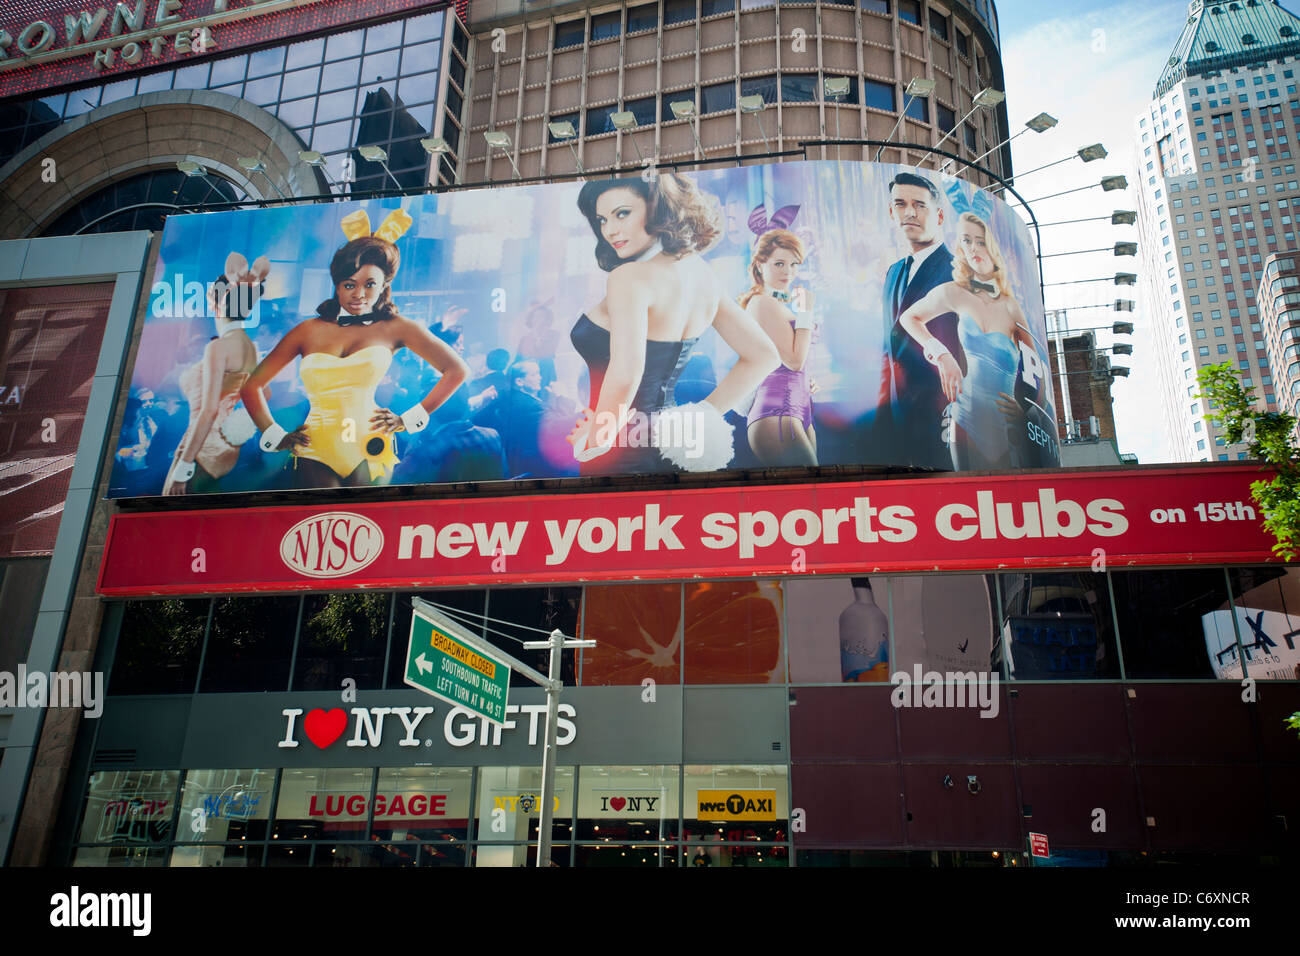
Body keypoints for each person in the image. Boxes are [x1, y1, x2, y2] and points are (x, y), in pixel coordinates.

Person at [241, 209, 469, 488]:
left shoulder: (396, 327)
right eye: (349, 284)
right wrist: (276, 436)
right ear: (337, 286)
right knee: (319, 528)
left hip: (371, 445)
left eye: (369, 284)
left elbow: (456, 370)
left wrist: (407, 420)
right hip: (314, 448)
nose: (359, 294)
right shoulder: (307, 330)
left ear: (384, 285)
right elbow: (251, 386)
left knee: (370, 527)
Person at [568, 174, 779, 475]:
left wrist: (596, 439)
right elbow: (764, 355)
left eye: (622, 213)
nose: (610, 230)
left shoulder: (629, 277)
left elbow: (626, 374)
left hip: (619, 450)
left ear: (658, 208)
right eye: (602, 220)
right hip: (674, 447)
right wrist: (701, 417)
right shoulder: (701, 275)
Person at [899, 209, 1042, 470]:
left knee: (1008, 501)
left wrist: (1026, 411)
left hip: (1005, 423)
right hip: (964, 414)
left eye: (980, 241)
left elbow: (1036, 368)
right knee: (963, 496)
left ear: (993, 247)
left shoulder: (1011, 307)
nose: (973, 248)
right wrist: (941, 354)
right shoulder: (954, 292)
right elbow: (909, 318)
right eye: (966, 240)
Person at [162, 252, 267, 495]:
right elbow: (264, 395)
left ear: (217, 303)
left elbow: (208, 410)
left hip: (200, 449)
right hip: (226, 449)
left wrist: (183, 468)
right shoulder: (251, 348)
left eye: (211, 299)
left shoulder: (218, 347)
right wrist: (233, 422)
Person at [878, 172, 962, 469]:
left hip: (943, 416)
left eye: (919, 205)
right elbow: (890, 344)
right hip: (897, 419)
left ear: (939, 215)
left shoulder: (958, 271)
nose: (909, 212)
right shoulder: (893, 272)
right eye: (900, 204)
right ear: (892, 212)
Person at [741, 227, 818, 466]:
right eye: (779, 264)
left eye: (794, 264)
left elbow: (792, 361)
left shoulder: (775, 304)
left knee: (810, 497)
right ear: (760, 264)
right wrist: (805, 311)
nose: (789, 272)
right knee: (808, 496)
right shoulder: (762, 303)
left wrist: (807, 381)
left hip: (798, 409)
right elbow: (794, 361)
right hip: (777, 411)